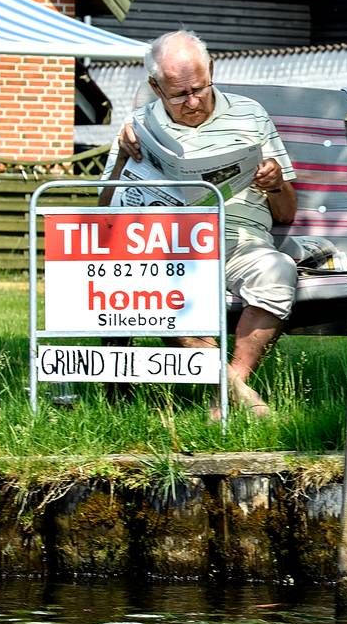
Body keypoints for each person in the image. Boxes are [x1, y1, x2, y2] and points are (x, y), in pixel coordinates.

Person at [102, 30, 296, 417]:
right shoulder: (137, 127)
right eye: (179, 94)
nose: (193, 101)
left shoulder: (251, 114)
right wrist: (123, 160)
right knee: (150, 285)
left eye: (200, 88)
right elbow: (104, 209)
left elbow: (287, 213)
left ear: (212, 71)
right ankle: (236, 394)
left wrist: (275, 184)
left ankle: (225, 393)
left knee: (278, 270)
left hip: (239, 244)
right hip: (168, 248)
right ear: (156, 87)